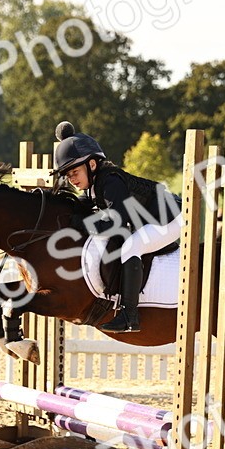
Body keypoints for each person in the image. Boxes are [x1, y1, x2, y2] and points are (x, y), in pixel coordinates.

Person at [54, 121, 181, 333]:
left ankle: (129, 315)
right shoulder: (93, 187)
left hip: (171, 218)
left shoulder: (111, 181)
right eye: (68, 175)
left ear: (92, 165)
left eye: (74, 172)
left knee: (132, 246)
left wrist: (83, 225)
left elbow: (116, 224)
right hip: (152, 219)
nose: (71, 179)